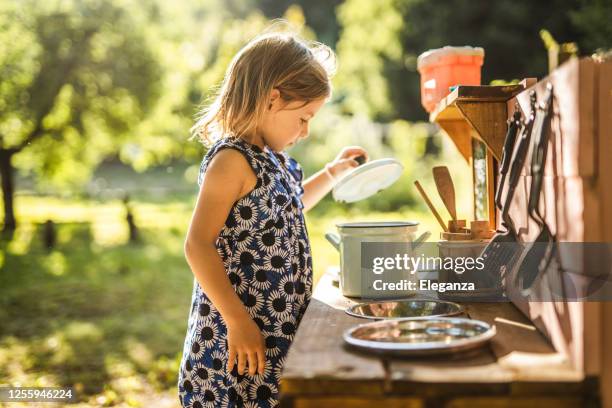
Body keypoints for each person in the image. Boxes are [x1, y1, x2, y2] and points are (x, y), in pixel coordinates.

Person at [177, 29, 368, 408]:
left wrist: (333, 172)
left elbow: (292, 203)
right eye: (303, 117)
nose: (306, 130)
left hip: (273, 327)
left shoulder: (273, 159)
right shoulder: (231, 160)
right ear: (272, 98)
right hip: (233, 342)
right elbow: (197, 245)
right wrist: (238, 322)